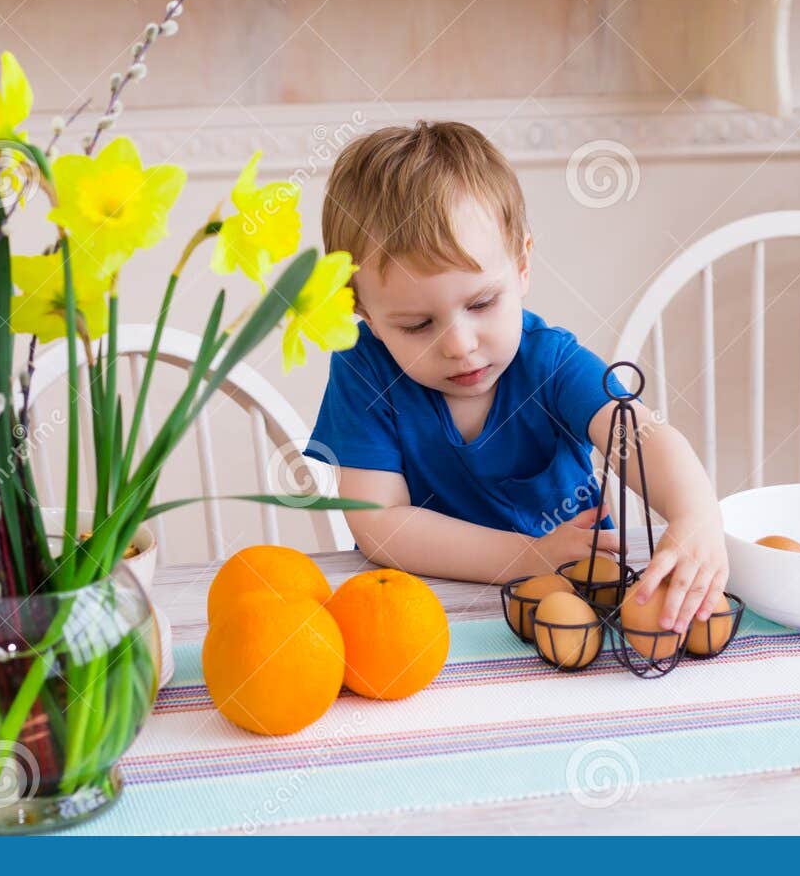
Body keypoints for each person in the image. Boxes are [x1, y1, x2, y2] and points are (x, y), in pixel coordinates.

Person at [305, 121, 729, 635]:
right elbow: (380, 524)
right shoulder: (364, 371)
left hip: (579, 607)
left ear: (523, 266)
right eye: (416, 325)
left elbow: (639, 435)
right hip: (422, 619)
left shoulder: (549, 363)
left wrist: (695, 514)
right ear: (364, 314)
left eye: (482, 302)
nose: (460, 345)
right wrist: (529, 554)